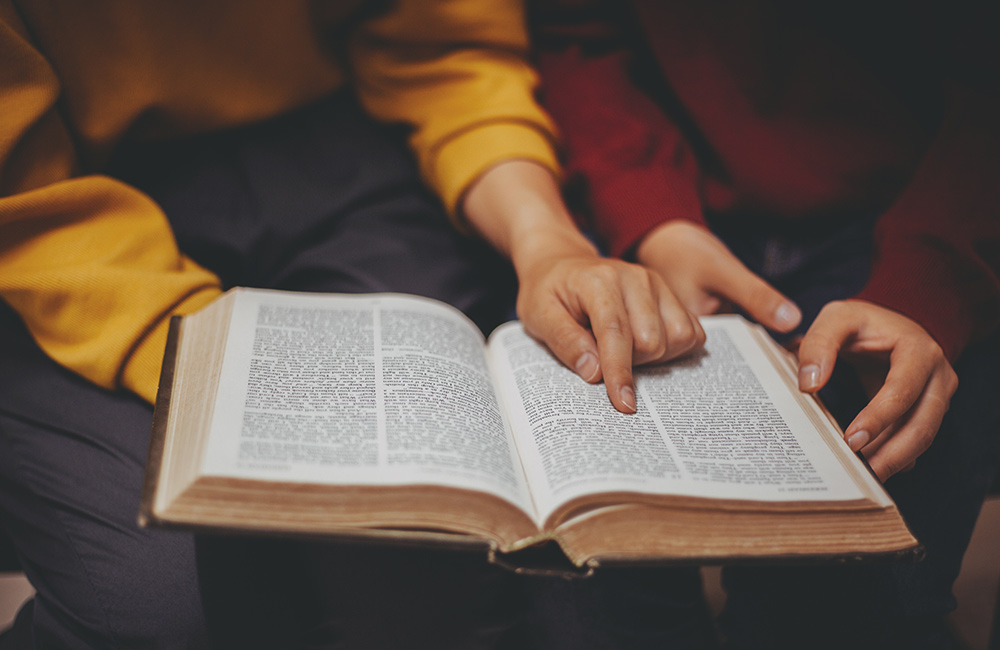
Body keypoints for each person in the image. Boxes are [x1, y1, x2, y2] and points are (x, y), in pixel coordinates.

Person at [0, 1, 706, 647]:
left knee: (443, 555)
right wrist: (218, 361)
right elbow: (23, 189)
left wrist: (546, 238)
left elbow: (445, 51)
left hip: (347, 139)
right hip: (53, 219)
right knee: (161, 606)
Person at [530, 0, 1000, 648]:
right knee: (592, 572)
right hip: (665, 201)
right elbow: (577, 37)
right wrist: (654, 217)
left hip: (919, 216)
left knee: (847, 585)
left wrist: (931, 277)